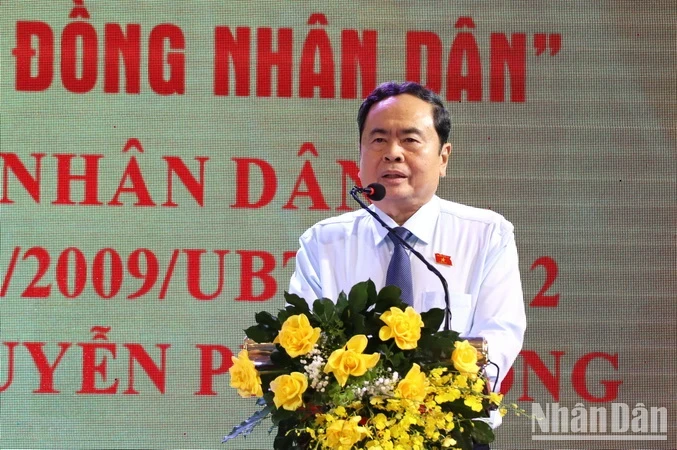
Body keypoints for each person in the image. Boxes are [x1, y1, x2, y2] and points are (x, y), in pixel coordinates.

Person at [288, 81, 526, 444]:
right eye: (378, 139)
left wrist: (423, 404)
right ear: (360, 154)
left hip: (449, 434)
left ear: (443, 157)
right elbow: (302, 348)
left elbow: (498, 337)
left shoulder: (485, 234)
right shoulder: (324, 242)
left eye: (410, 140)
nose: (392, 153)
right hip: (345, 437)